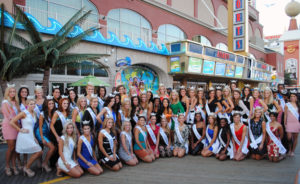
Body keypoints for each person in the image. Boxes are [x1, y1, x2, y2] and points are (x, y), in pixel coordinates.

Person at [10, 96, 42, 177]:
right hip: (24, 136)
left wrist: (34, 137)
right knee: (39, 151)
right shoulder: (23, 113)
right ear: (27, 104)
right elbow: (12, 122)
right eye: (31, 104)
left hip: (31, 136)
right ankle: (26, 167)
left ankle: (26, 166)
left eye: (34, 104)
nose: (33, 105)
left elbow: (32, 127)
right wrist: (20, 130)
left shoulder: (34, 113)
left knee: (39, 151)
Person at [1, 84, 20, 176]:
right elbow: (9, 117)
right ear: (7, 92)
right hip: (9, 126)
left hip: (16, 125)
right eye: (10, 91)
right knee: (11, 147)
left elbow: (19, 114)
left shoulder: (15, 102)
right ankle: (7, 166)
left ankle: (14, 165)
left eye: (14, 91)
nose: (12, 93)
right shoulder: (5, 102)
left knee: (15, 148)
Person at [35, 96, 56, 172]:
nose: (51, 105)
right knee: (52, 147)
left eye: (52, 103)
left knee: (54, 148)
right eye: (49, 103)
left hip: (48, 133)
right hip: (41, 133)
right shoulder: (42, 114)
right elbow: (40, 127)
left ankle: (44, 162)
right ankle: (44, 163)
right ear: (46, 104)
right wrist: (42, 138)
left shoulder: (54, 112)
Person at [49, 96, 70, 167]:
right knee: (56, 149)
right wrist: (56, 136)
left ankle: (60, 162)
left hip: (63, 134)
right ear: (61, 104)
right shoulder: (57, 113)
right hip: (56, 134)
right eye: (64, 103)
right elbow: (51, 125)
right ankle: (52, 163)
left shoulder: (67, 112)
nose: (66, 105)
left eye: (67, 103)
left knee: (62, 149)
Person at [284, 89, 300, 156]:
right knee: (289, 138)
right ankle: (289, 150)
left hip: (296, 123)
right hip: (289, 123)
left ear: (296, 97)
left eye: (294, 96)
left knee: (295, 137)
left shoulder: (298, 105)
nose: (292, 97)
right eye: (291, 96)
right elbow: (285, 115)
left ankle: (293, 151)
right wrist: (285, 123)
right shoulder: (287, 105)